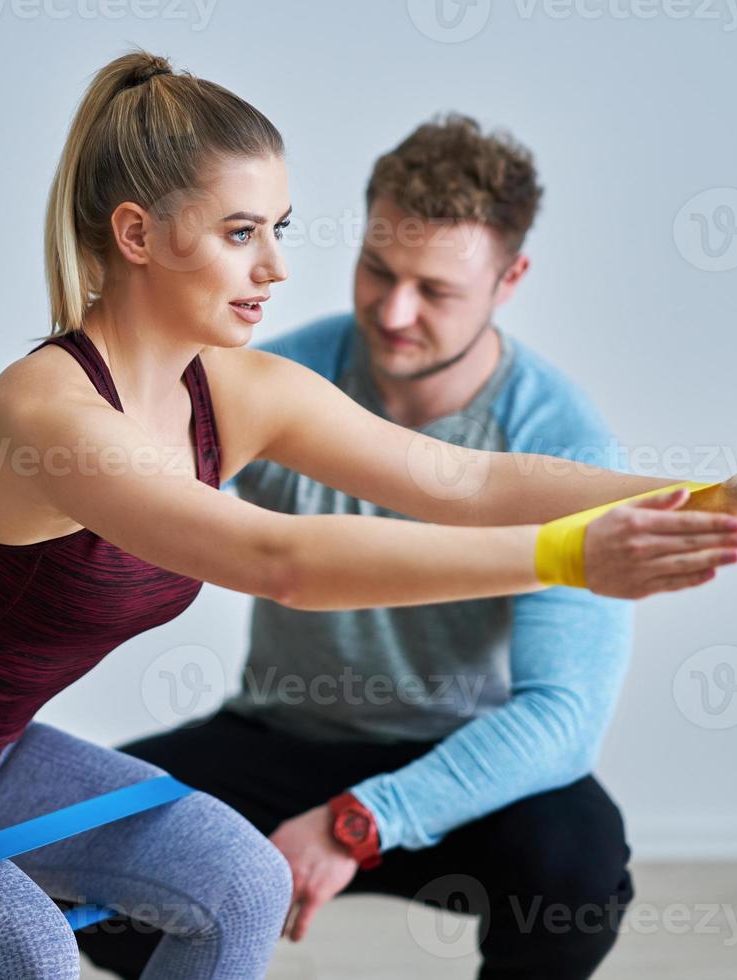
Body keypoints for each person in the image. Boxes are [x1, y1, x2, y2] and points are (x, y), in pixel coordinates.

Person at [0, 49, 737, 980]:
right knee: (19, 937)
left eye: (282, 231)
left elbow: (465, 478)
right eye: (242, 233)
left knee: (232, 872)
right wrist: (571, 555)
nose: (277, 266)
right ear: (138, 235)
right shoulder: (48, 412)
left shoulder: (241, 387)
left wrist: (704, 497)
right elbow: (279, 555)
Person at [73, 113, 690, 979]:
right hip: (278, 734)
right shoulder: (272, 383)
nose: (393, 313)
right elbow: (117, 487)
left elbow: (562, 720)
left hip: (461, 760)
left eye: (435, 291)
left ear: (510, 278)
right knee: (68, 846)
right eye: (378, 270)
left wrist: (356, 819)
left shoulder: (564, 443)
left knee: (577, 869)